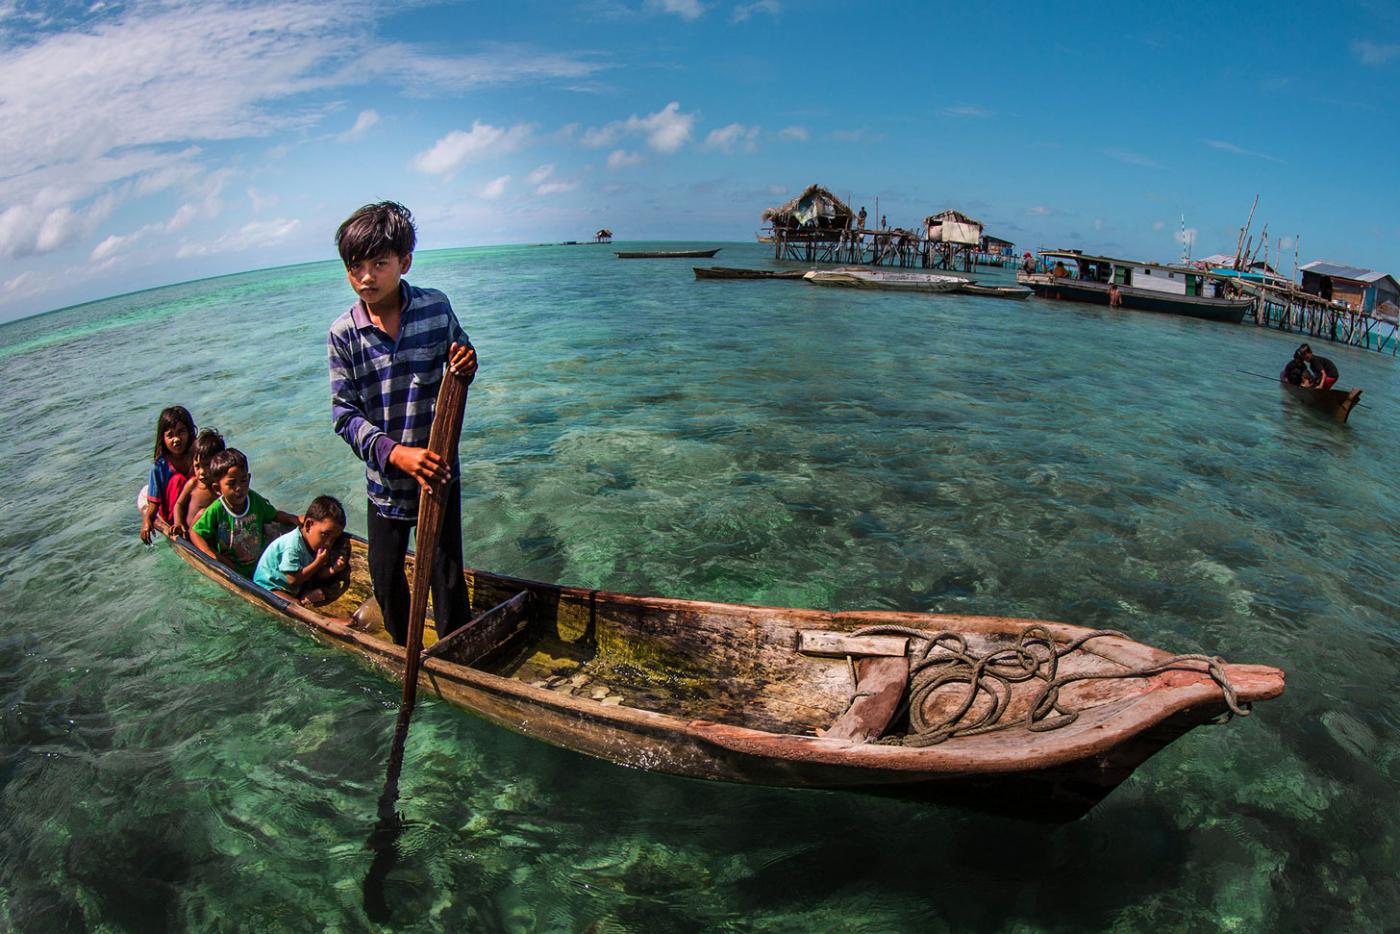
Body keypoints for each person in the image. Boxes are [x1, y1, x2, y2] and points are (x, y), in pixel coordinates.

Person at [327, 201, 478, 645]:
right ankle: (400, 646)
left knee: (446, 574)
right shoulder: (344, 334)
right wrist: (395, 453)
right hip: (385, 485)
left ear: (404, 262)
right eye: (355, 267)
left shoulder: (435, 308)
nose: (366, 277)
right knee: (386, 576)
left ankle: (456, 654)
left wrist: (467, 361)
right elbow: (344, 415)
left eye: (379, 263)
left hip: (437, 474)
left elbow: (462, 358)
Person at [190, 448, 299, 578]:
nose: (239, 488)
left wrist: (294, 518)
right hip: (234, 568)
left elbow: (273, 515)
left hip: (261, 563)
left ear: (249, 478)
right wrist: (210, 554)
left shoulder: (253, 499)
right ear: (217, 488)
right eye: (231, 483)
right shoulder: (217, 510)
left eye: (243, 480)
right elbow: (196, 533)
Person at [254, 495, 351, 605]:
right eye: (325, 534)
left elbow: (316, 574)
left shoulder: (317, 545)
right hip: (268, 587)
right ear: (308, 525)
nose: (329, 542)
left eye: (334, 538)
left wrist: (333, 569)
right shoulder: (293, 545)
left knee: (320, 588)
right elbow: (292, 579)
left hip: (292, 586)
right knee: (295, 604)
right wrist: (318, 562)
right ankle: (303, 600)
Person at [139, 405, 196, 543]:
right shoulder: (159, 467)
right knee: (179, 480)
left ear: (189, 432)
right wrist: (147, 521)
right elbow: (153, 505)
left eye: (181, 432)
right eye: (170, 435)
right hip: (173, 516)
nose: (176, 439)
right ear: (163, 438)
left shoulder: (198, 456)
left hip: (198, 509)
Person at [171, 428, 226, 538]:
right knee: (202, 513)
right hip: (192, 535)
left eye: (207, 465)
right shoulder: (193, 484)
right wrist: (178, 523)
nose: (201, 472)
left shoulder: (222, 487)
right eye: (197, 466)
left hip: (214, 536)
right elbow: (179, 505)